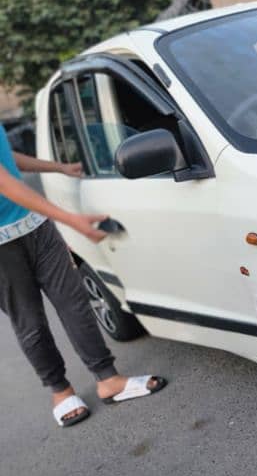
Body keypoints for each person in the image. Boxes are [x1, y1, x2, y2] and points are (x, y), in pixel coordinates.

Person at [0, 124, 166, 427]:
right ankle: (60, 391)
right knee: (31, 322)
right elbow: (3, 182)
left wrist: (58, 167)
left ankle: (109, 379)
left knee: (73, 301)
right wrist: (71, 219)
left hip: (35, 225)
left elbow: (6, 156)